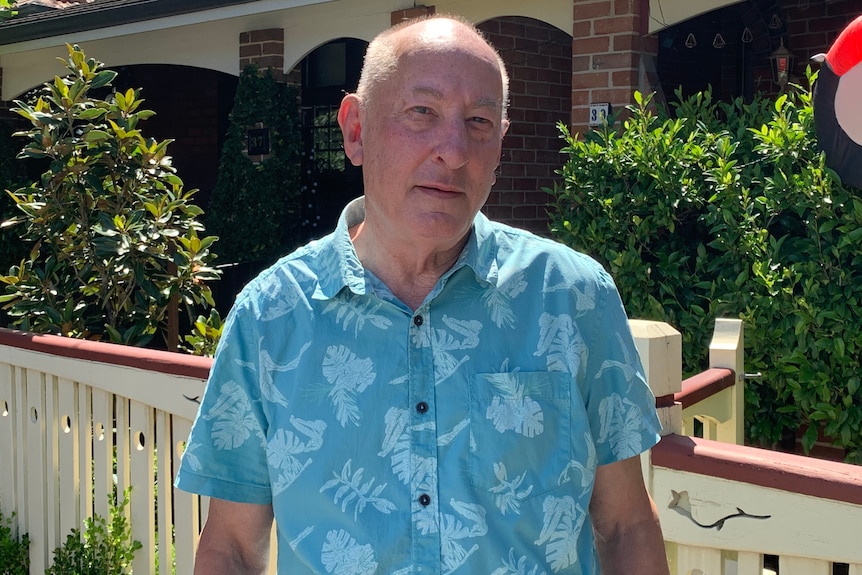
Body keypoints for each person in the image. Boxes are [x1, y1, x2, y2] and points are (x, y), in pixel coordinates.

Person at [176, 14, 669, 575]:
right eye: (422, 112)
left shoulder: (572, 299)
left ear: (501, 145)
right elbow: (232, 549)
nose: (454, 150)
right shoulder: (271, 316)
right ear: (356, 129)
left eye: (479, 121)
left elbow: (627, 525)